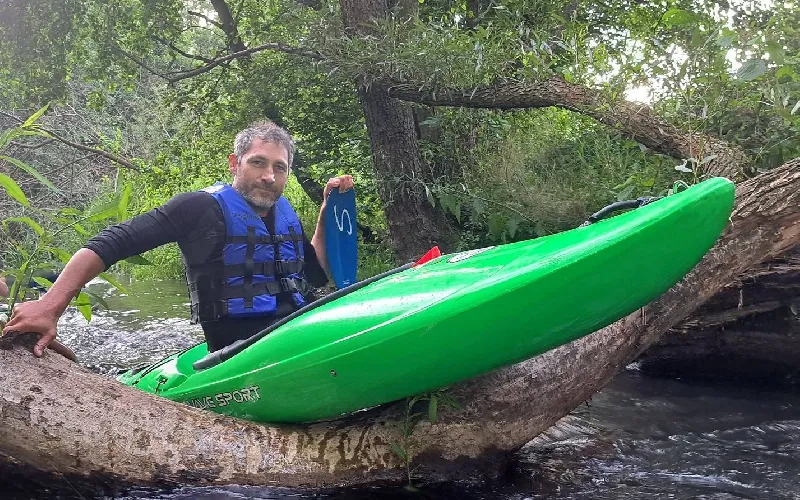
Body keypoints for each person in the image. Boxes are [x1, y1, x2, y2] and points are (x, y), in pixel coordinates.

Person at [3, 120, 354, 356]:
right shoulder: (198, 207)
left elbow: (316, 275)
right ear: (235, 164)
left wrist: (326, 211)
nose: (268, 176)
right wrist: (50, 306)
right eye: (258, 163)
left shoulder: (283, 214)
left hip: (298, 327)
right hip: (243, 349)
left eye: (279, 167)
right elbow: (111, 242)